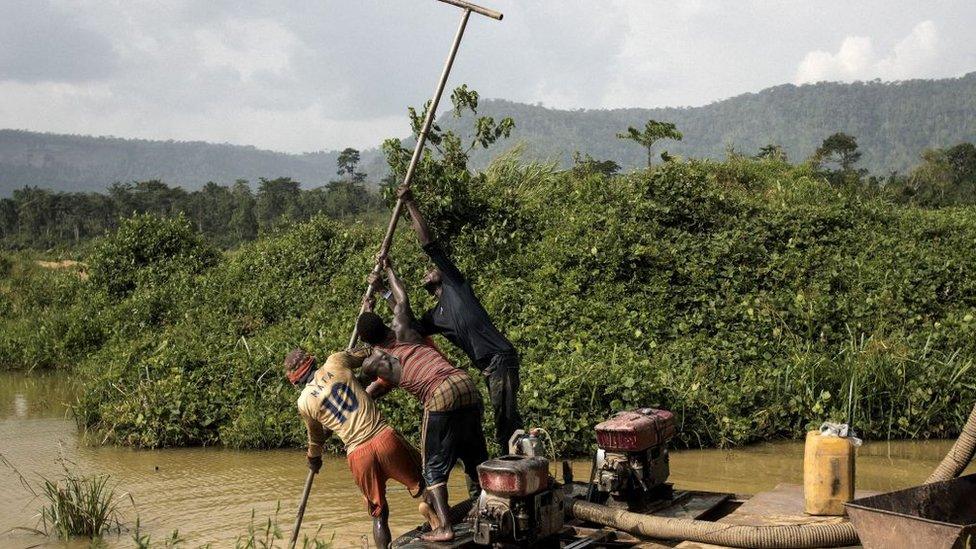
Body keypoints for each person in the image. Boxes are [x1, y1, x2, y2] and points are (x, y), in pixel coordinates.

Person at [358, 257, 489, 543]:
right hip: (464, 383)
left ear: (370, 342)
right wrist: (389, 269)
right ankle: (484, 506)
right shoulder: (405, 327)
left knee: (432, 467)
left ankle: (444, 526)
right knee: (474, 455)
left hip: (438, 393)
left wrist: (365, 314)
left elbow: (362, 365)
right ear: (386, 323)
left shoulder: (373, 362)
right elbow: (401, 298)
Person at [396, 186, 524, 452]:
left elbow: (428, 243)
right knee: (507, 421)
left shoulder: (455, 284)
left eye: (431, 270)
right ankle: (519, 461)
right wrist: (385, 283)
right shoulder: (434, 317)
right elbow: (404, 321)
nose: (427, 272)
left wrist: (409, 203)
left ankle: (515, 470)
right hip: (490, 368)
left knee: (505, 423)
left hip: (500, 358)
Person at [286, 347, 438, 548]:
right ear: (313, 361)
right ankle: (439, 520)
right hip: (384, 438)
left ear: (296, 381)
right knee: (426, 484)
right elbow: (368, 354)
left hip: (358, 454)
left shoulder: (304, 401)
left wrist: (314, 459)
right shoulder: (335, 361)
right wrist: (360, 378)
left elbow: (316, 439)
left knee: (378, 514)